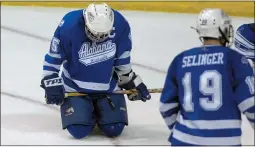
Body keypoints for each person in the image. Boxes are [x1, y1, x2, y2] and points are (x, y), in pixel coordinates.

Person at [40, 3, 151, 139]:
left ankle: (96, 111)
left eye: (103, 34)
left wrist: (131, 81)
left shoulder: (121, 24)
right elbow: (54, 57)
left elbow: (123, 61)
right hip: (75, 89)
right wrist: (50, 80)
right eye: (95, 33)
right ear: (86, 22)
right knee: (79, 130)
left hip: (108, 89)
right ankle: (85, 110)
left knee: (114, 129)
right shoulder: (68, 25)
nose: (99, 38)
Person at [159, 8, 255, 146]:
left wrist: (182, 132)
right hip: (224, 142)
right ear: (223, 30)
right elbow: (251, 104)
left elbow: (165, 106)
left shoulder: (180, 59)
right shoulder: (235, 60)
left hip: (183, 141)